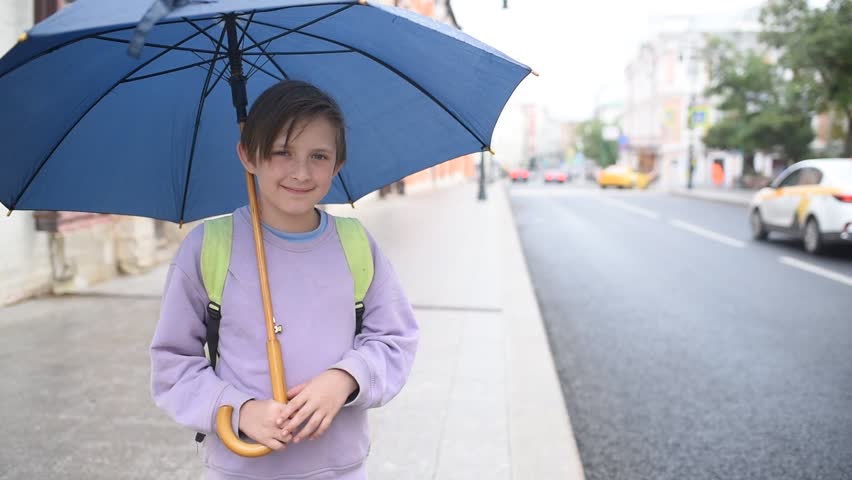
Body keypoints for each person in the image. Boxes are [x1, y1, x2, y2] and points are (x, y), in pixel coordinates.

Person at [150, 80, 419, 479]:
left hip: (338, 468)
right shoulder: (209, 247)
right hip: (241, 468)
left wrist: (345, 378)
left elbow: (395, 338)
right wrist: (241, 409)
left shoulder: (355, 244)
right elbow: (173, 363)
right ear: (248, 154)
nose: (301, 172)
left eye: (319, 155)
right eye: (281, 152)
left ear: (337, 163)